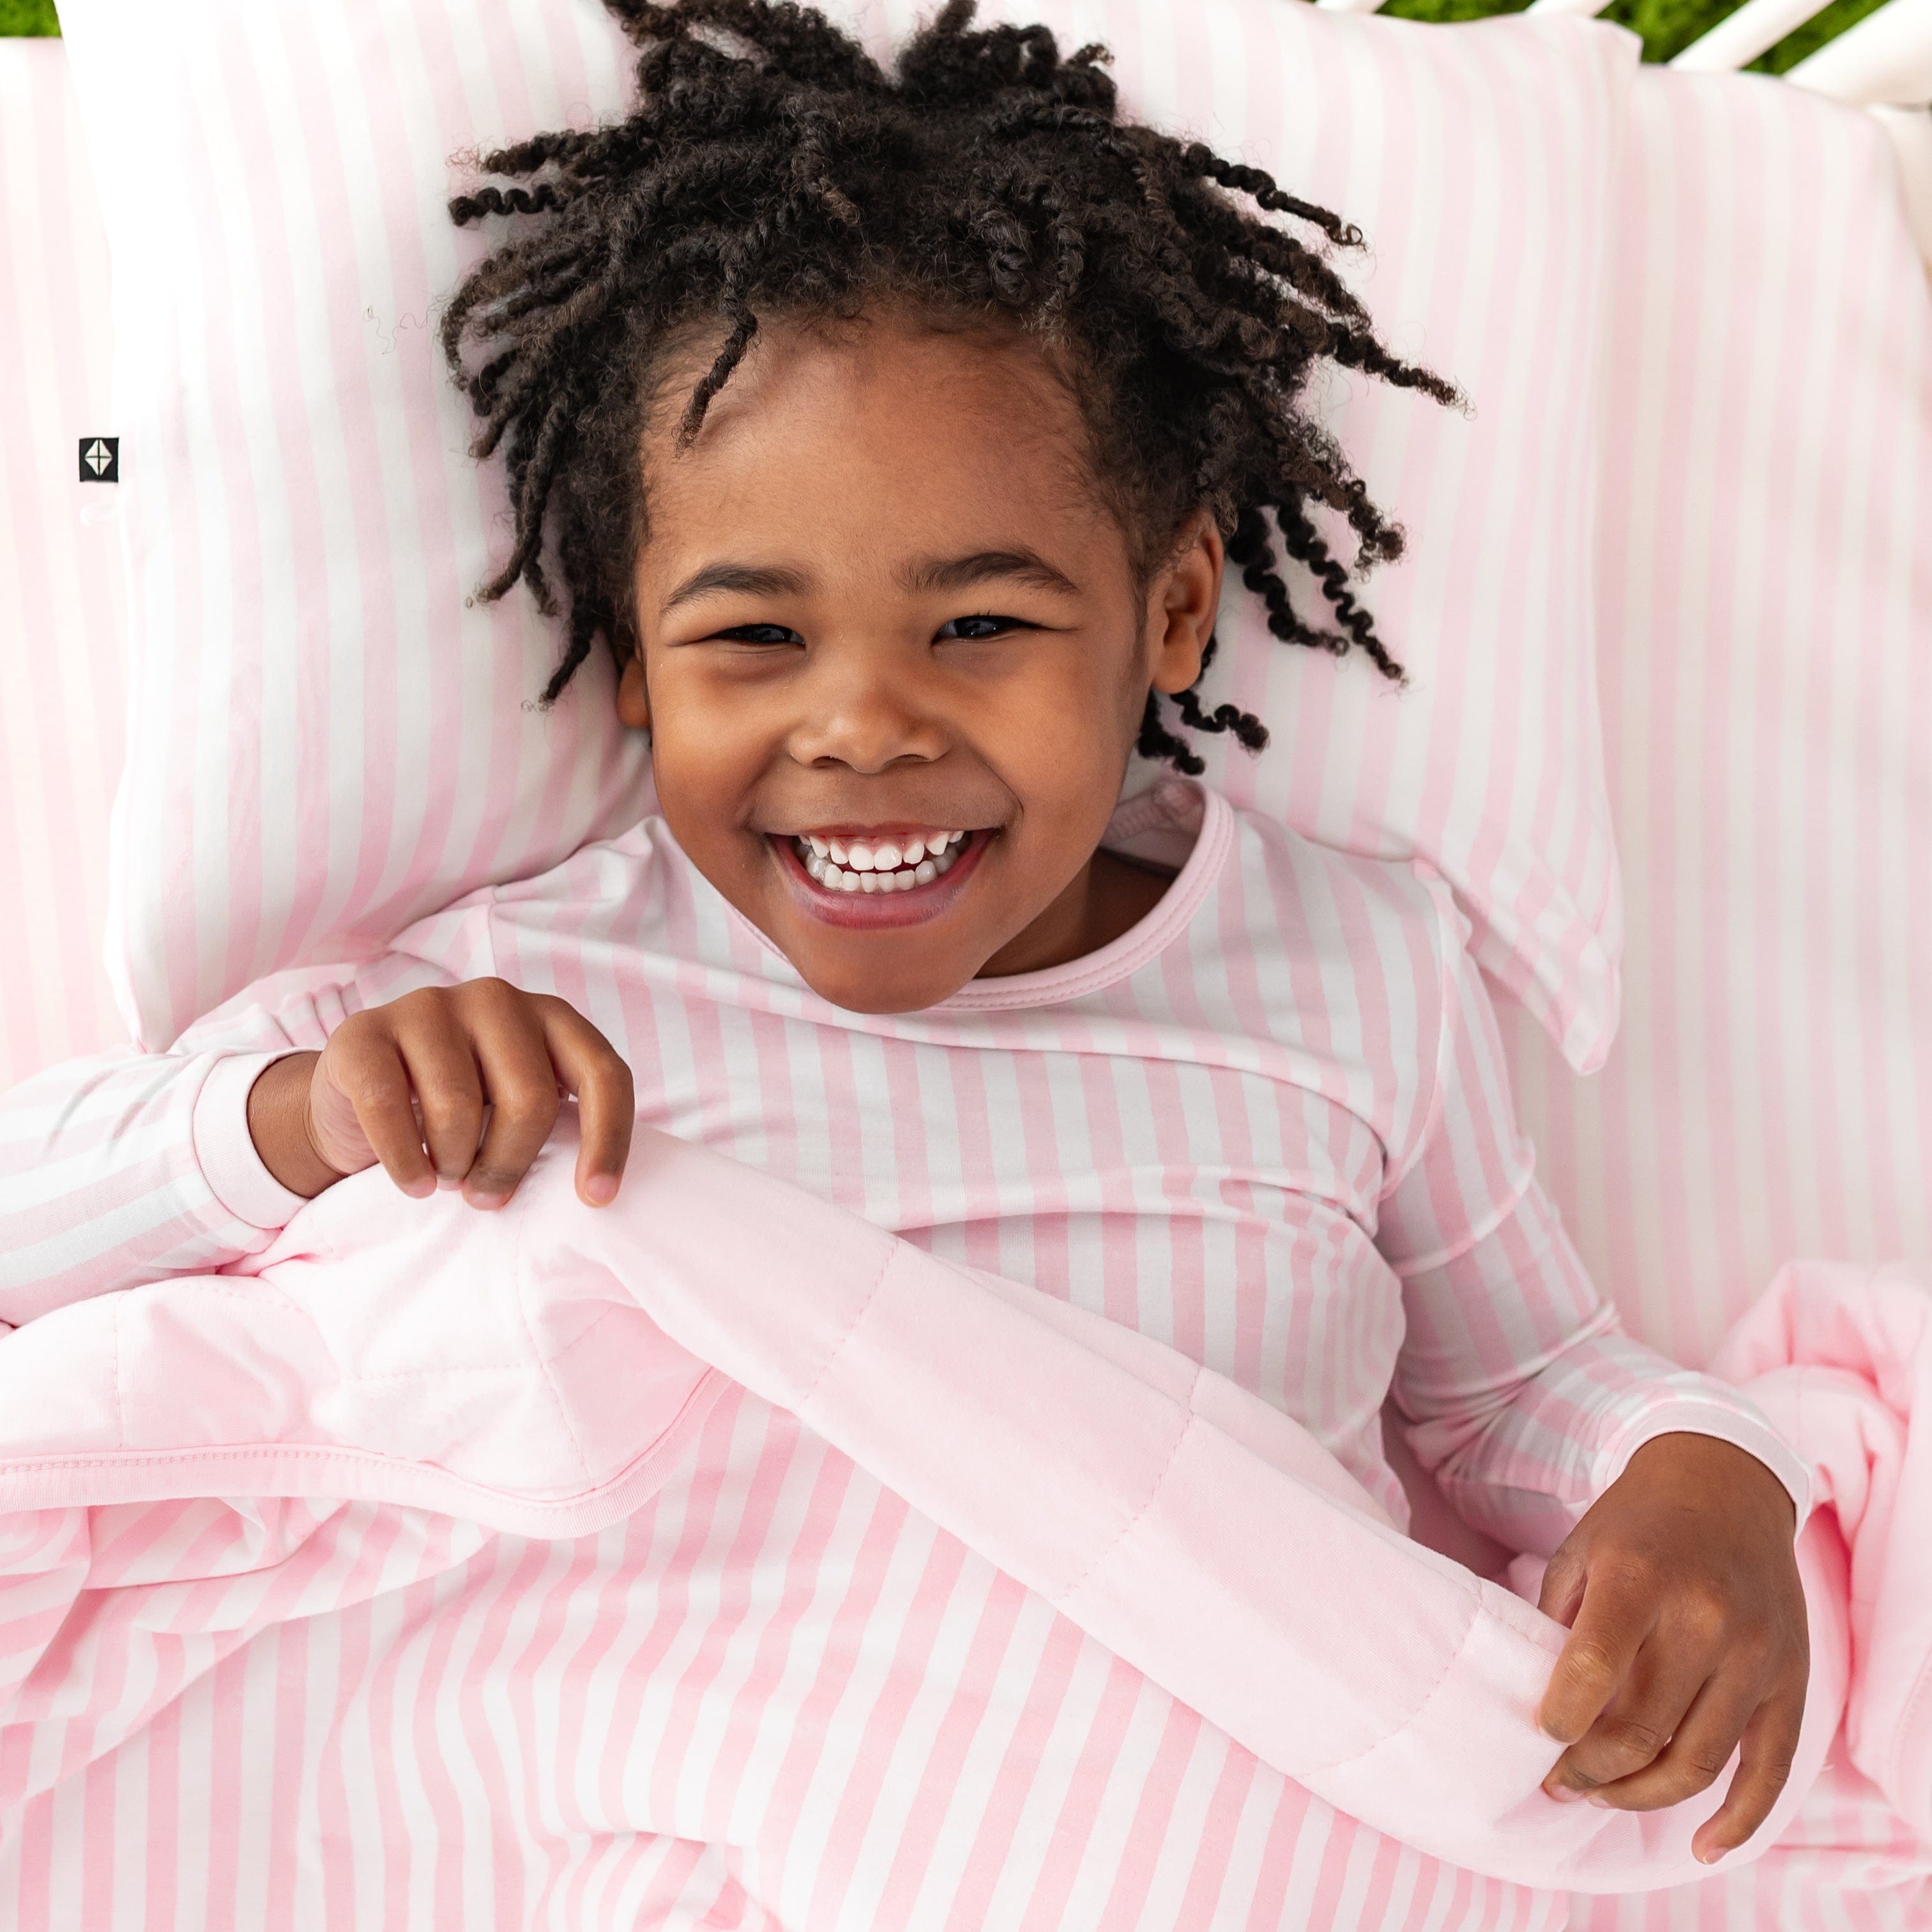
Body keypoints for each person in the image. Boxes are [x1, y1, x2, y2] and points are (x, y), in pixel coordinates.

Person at [0, 1, 1809, 1917]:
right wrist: (297, 1117)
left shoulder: (1356, 968)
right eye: (751, 640)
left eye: (979, 627)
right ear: (632, 658)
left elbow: (1522, 1380)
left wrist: (1706, 1474)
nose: (862, 727)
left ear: (1172, 608)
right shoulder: (518, 994)